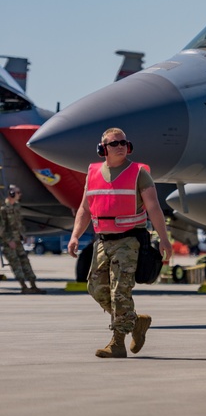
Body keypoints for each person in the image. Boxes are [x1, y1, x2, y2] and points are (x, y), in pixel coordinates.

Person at [67, 128, 172, 359]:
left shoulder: (138, 173)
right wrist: (75, 236)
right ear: (102, 148)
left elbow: (153, 207)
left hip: (129, 240)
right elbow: (85, 208)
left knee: (119, 292)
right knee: (96, 289)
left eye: (124, 142)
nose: (120, 146)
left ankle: (117, 343)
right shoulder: (93, 172)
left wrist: (163, 239)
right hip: (103, 242)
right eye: (114, 144)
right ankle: (136, 322)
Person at [0, 184, 45, 293]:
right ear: (11, 194)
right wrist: (9, 240)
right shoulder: (3, 209)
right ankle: (23, 287)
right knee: (16, 264)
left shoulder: (16, 207)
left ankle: (33, 285)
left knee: (25, 262)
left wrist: (24, 236)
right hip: (9, 243)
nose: (20, 195)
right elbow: (1, 228)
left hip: (18, 241)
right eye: (18, 192)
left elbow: (19, 224)